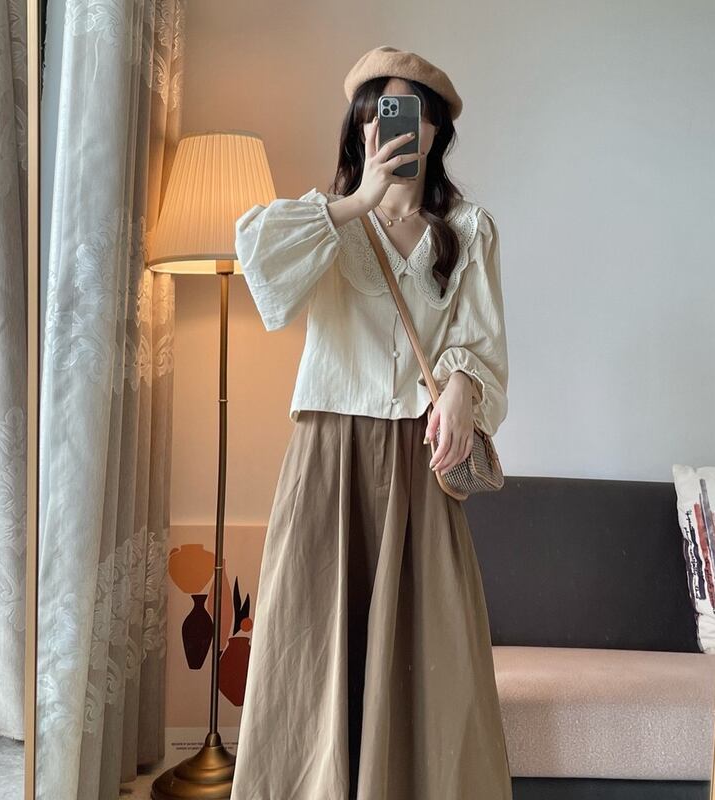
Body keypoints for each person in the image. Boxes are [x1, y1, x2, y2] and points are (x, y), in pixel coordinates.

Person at [230, 45, 511, 800]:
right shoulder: (325, 223)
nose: (392, 130)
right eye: (377, 115)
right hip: (328, 460)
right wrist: (357, 201)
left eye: (409, 116)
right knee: (310, 648)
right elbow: (258, 260)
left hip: (419, 462)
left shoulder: (469, 230)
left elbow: (482, 346)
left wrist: (461, 386)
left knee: (434, 659)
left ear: (435, 130)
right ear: (360, 129)